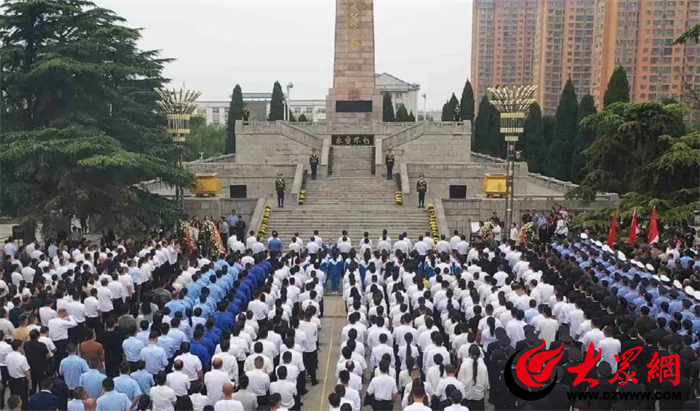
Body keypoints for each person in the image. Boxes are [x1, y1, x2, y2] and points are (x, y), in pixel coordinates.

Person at [6, 339, 31, 409]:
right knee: (24, 399)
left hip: (11, 379)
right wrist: (30, 382)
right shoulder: (22, 358)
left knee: (14, 398)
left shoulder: (8, 356)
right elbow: (26, 371)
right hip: (21, 381)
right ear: (19, 347)